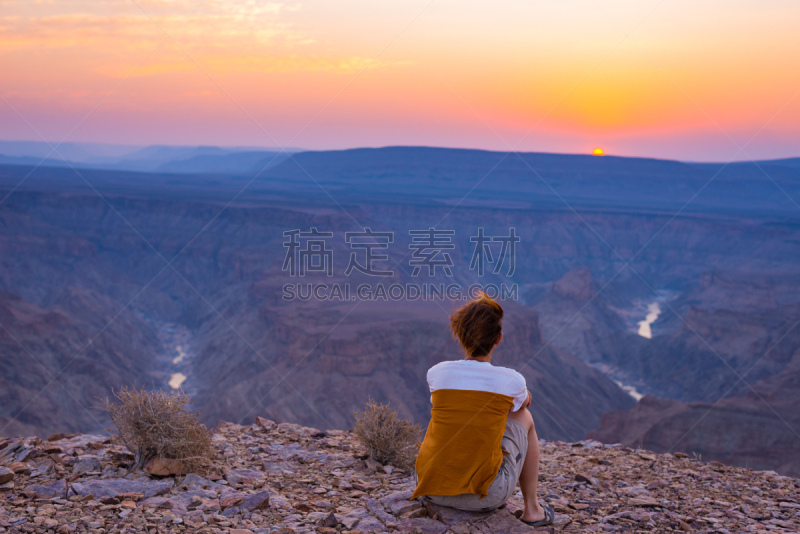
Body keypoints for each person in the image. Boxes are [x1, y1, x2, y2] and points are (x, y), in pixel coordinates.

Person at [411, 292, 554, 527]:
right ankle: (532, 509)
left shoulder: (437, 372)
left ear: (459, 336)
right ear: (498, 339)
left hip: (429, 487)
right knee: (523, 416)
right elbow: (523, 403)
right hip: (486, 496)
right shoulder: (511, 380)